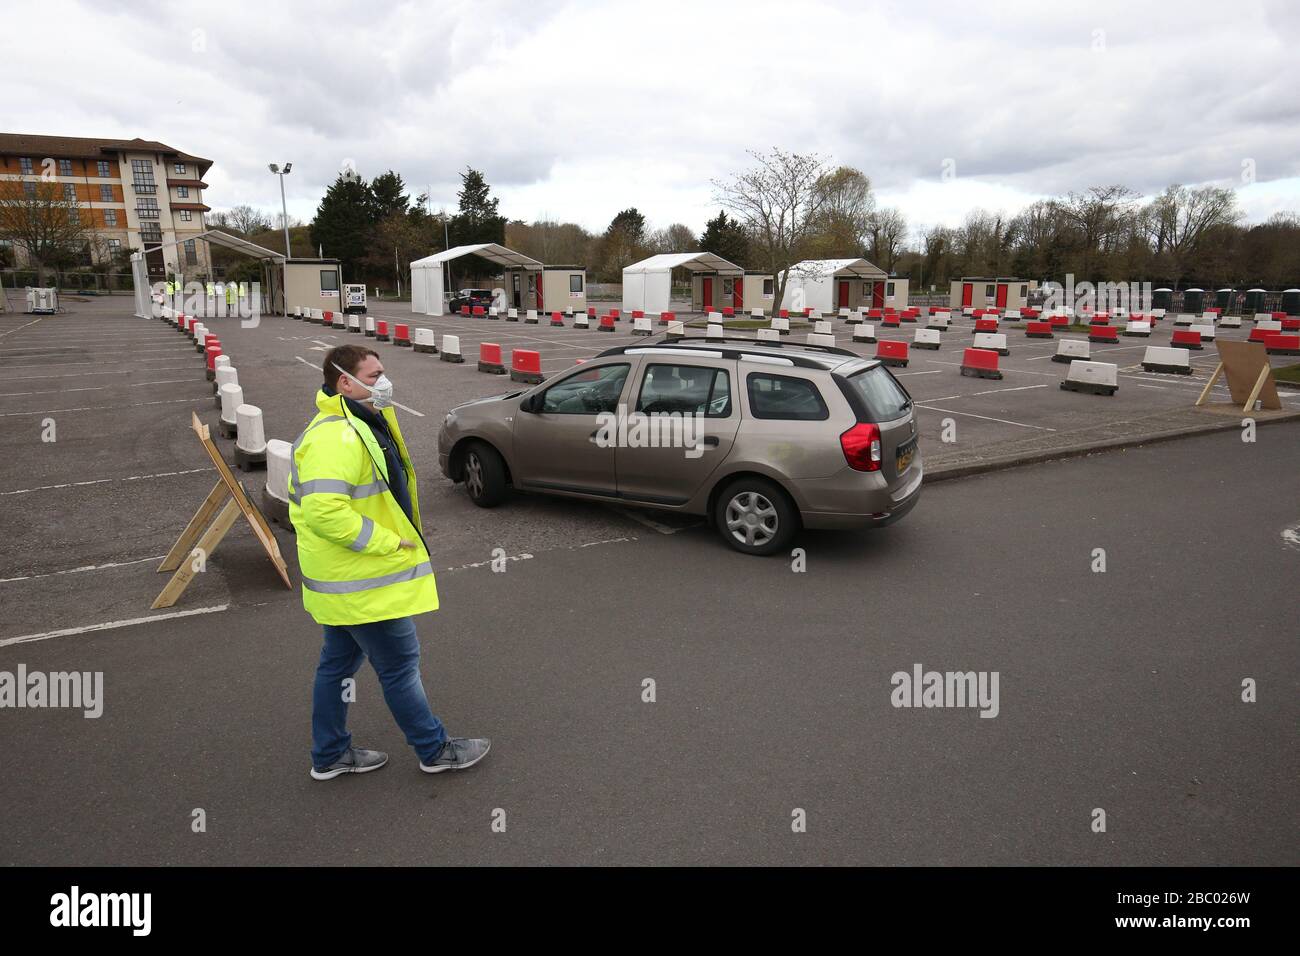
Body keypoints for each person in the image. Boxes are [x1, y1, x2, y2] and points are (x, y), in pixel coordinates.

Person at [289, 344, 489, 780]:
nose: (384, 381)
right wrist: (388, 542)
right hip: (362, 581)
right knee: (399, 666)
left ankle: (329, 755)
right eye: (374, 375)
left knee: (337, 666)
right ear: (346, 382)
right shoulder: (336, 437)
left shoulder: (361, 422)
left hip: (346, 581)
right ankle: (434, 750)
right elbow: (325, 512)